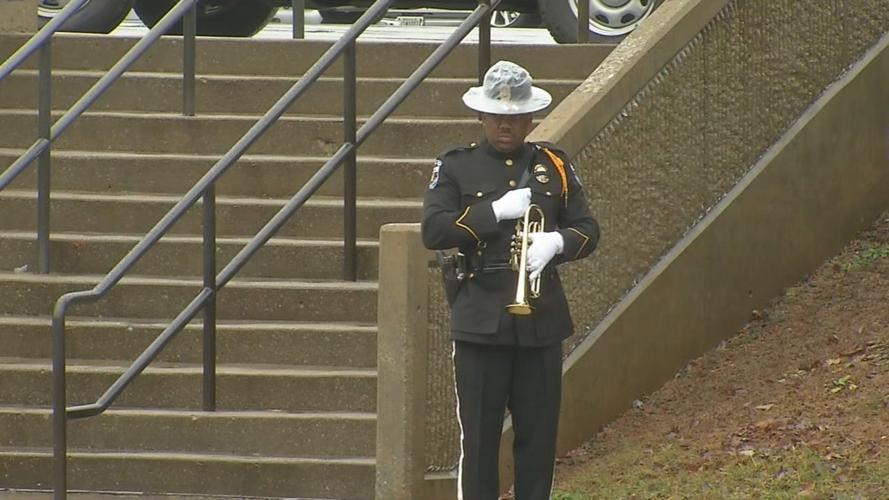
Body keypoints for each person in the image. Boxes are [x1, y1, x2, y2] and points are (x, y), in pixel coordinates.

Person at [421, 60, 600, 500]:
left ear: (530, 118)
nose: (506, 123)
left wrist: (556, 243)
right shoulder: (456, 166)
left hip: (541, 322)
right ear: (481, 116)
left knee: (538, 442)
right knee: (479, 442)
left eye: (516, 115)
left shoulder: (553, 164)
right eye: (498, 115)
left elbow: (588, 231)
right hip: (481, 319)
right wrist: (493, 212)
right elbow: (434, 230)